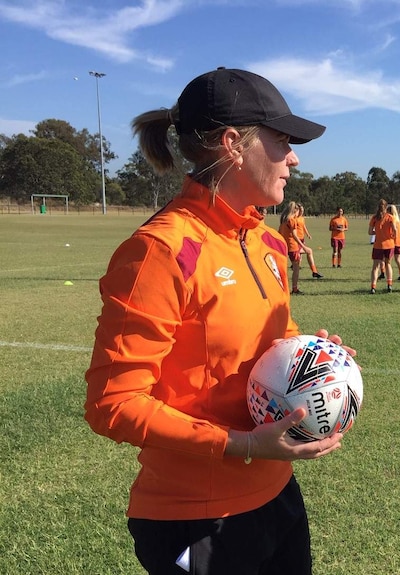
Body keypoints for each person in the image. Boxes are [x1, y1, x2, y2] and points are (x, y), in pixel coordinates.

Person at [84, 67, 349, 575]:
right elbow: (112, 405)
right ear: (233, 143)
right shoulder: (159, 251)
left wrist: (309, 358)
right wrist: (240, 444)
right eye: (281, 141)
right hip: (197, 519)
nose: (293, 156)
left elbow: (269, 343)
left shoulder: (267, 242)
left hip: (277, 493)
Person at [368, 198, 397, 293]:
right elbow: (395, 230)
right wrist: (392, 237)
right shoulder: (390, 217)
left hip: (378, 245)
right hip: (389, 244)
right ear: (386, 207)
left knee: (375, 266)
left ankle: (373, 287)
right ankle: (389, 285)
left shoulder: (374, 218)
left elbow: (370, 232)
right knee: (388, 264)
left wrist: (377, 232)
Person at [279, 201, 305, 294]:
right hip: (292, 246)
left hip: (283, 246)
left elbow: (279, 233)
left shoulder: (283, 220)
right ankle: (294, 288)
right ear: (295, 211)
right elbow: (294, 235)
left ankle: (282, 288)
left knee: (282, 268)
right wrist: (303, 246)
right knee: (296, 267)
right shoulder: (292, 220)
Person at [296, 204, 323, 278]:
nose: (301, 212)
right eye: (300, 210)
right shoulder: (294, 219)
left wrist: (307, 234)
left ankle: (313, 271)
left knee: (303, 252)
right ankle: (313, 271)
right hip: (295, 239)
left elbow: (304, 227)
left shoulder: (302, 218)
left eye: (302, 210)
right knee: (303, 252)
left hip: (301, 238)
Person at [388, 204, 400, 281]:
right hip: (399, 242)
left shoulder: (391, 220)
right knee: (398, 260)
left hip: (392, 242)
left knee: (388, 261)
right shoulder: (398, 221)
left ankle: (387, 276)